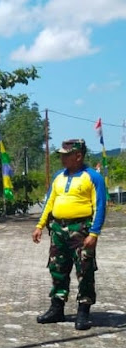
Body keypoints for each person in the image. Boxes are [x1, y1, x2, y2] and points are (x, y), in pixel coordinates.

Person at [32, 139, 107, 331]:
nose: (62, 158)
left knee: (85, 270)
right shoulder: (59, 177)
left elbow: (99, 206)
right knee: (57, 268)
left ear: (78, 156)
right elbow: (49, 202)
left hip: (81, 229)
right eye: (61, 155)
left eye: (66, 155)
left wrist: (94, 233)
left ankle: (83, 311)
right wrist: (40, 225)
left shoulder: (93, 177)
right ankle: (57, 308)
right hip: (58, 229)